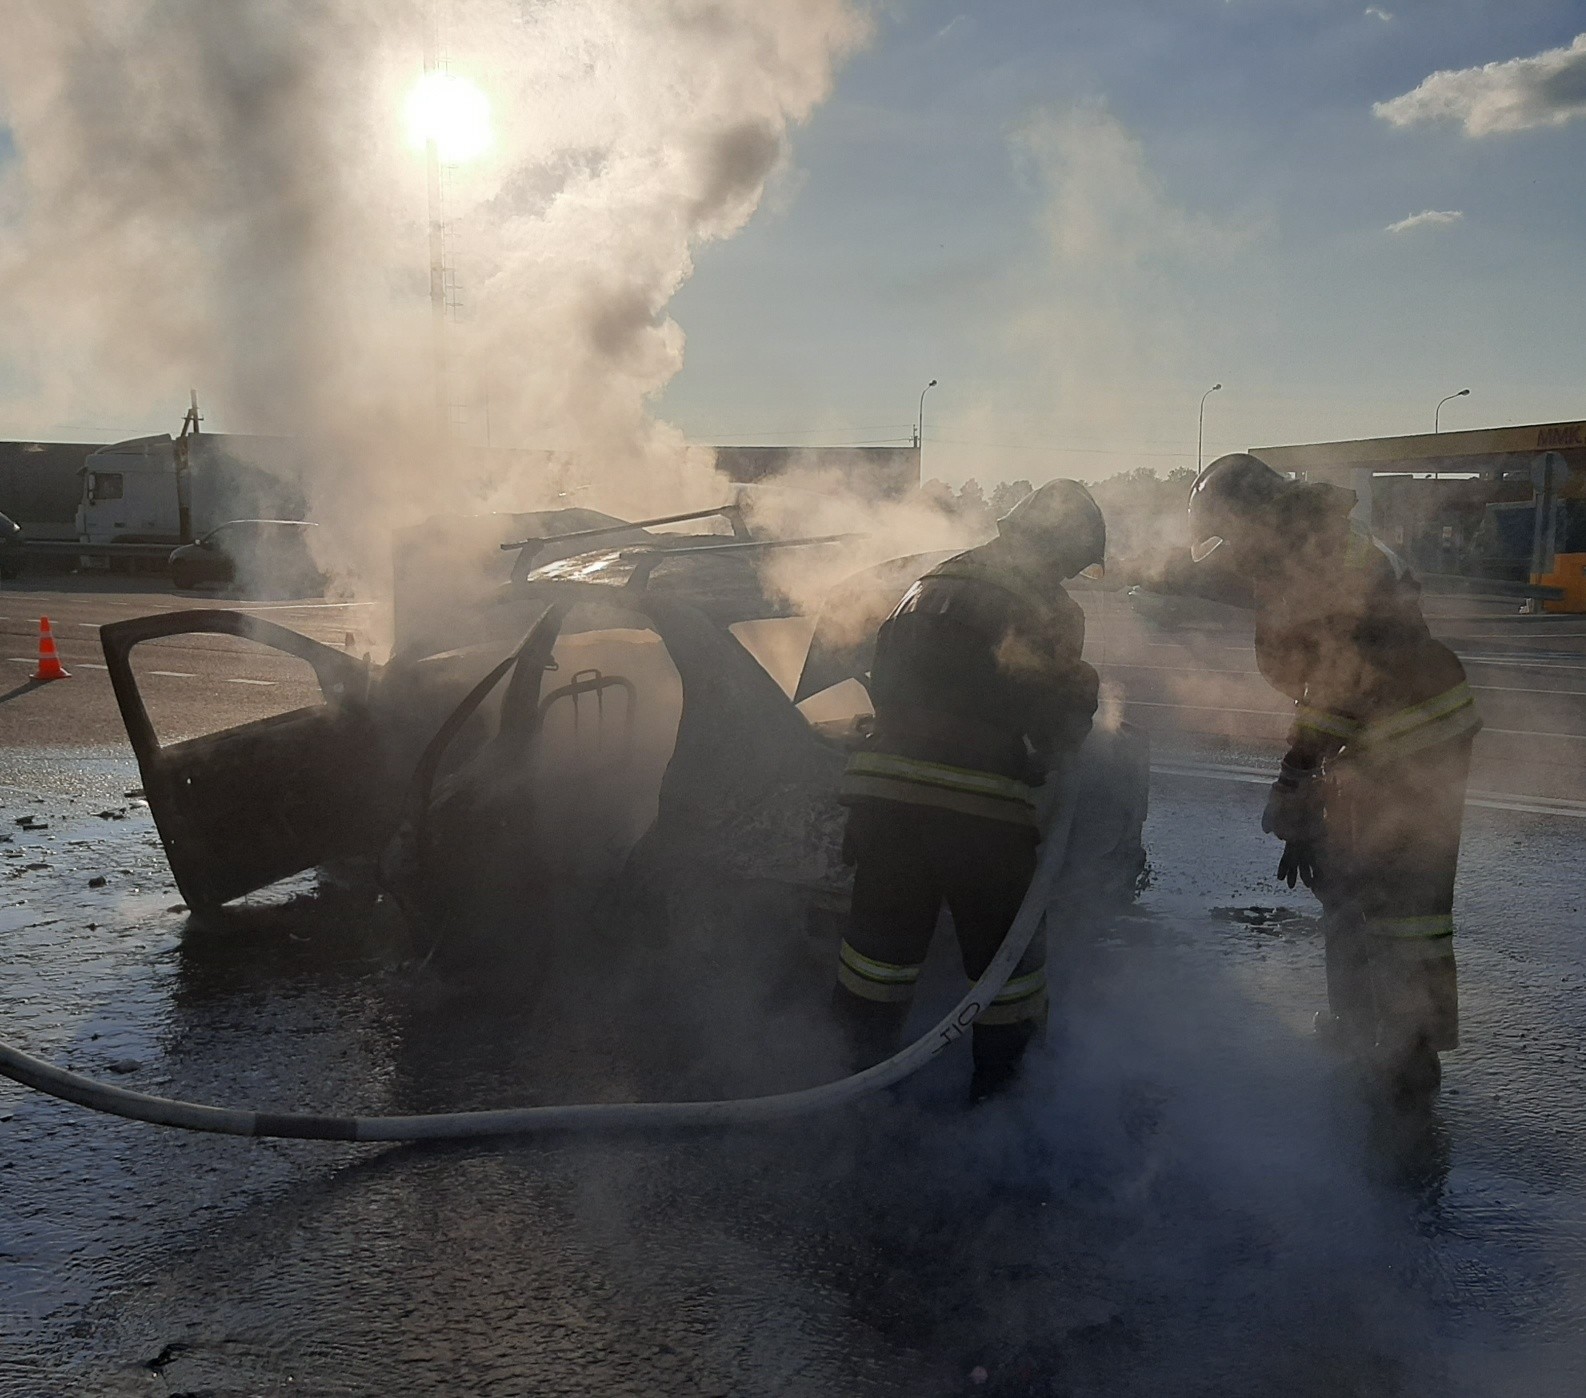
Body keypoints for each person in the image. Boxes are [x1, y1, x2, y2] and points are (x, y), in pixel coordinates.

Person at [1182, 453, 1481, 1105]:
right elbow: (1331, 691)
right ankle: (1364, 1028)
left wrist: (1294, 778)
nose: (1232, 557)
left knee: (1408, 897)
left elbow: (1338, 681)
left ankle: (1412, 1053)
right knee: (1351, 880)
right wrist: (1311, 805)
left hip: (1408, 733)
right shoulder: (1316, 545)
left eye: (1230, 538)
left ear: (1251, 517)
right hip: (1385, 729)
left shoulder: (1318, 560)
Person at [832, 479, 1103, 1101]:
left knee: (877, 961)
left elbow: (888, 685)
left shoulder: (932, 582)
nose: (1070, 575)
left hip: (886, 806)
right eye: (1073, 562)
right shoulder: (1048, 608)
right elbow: (1054, 727)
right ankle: (1004, 1106)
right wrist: (1082, 701)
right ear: (1060, 547)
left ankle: (856, 1090)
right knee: (1009, 973)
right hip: (981, 817)